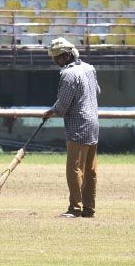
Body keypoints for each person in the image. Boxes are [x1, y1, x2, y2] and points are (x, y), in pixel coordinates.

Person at [42, 37, 101, 219]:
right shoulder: (89, 68)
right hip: (93, 123)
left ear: (67, 55)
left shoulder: (68, 74)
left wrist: (49, 113)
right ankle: (89, 209)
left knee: (74, 168)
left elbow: (62, 106)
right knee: (90, 170)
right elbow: (97, 91)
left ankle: (75, 208)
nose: (55, 62)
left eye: (57, 58)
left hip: (78, 125)